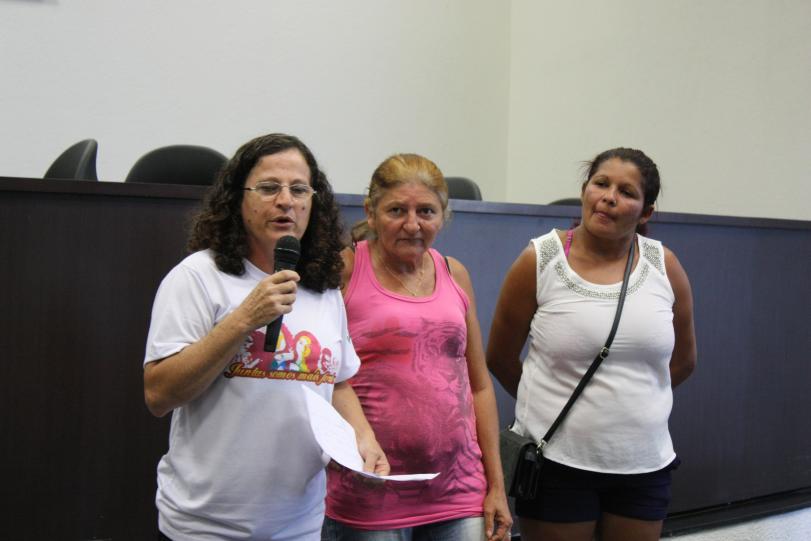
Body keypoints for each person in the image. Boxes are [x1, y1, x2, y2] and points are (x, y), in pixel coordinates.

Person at [143, 133, 389, 541]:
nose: (286, 201)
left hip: (299, 525)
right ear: (237, 200)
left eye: (299, 189)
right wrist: (244, 319)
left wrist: (363, 438)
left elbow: (338, 381)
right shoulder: (198, 278)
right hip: (205, 528)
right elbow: (159, 394)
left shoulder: (323, 288)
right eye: (269, 188)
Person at [487, 148, 697, 541]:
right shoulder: (540, 259)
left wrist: (627, 406)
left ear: (646, 212)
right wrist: (548, 403)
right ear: (585, 190)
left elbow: (684, 362)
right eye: (601, 183)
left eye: (626, 192)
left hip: (643, 464)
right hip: (556, 461)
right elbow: (499, 357)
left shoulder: (664, 265)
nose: (609, 197)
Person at [322, 154, 512, 541]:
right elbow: (323, 377)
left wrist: (496, 485)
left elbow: (478, 385)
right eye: (397, 210)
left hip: (458, 491)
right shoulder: (344, 270)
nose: (412, 225)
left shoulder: (454, 273)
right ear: (371, 212)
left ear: (443, 215)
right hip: (369, 492)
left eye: (426, 211)